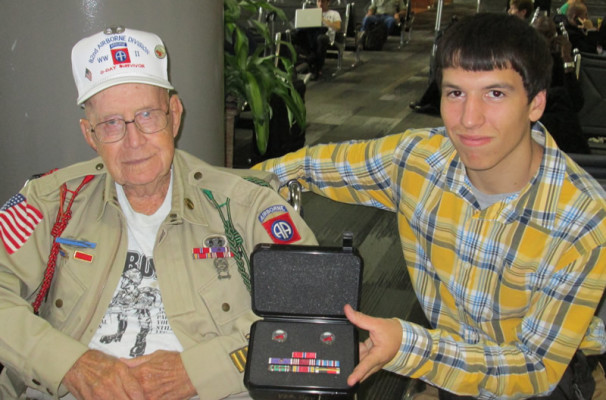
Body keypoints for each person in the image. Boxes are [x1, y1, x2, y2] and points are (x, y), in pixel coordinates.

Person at [255, 13, 606, 399]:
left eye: (495, 93)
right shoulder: (420, 160)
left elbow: (533, 368)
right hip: (447, 363)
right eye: (455, 93)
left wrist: (411, 348)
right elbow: (310, 166)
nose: (469, 120)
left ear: (536, 103)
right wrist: (219, 184)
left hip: (541, 382)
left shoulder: (584, 221)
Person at [0, 27, 317, 400]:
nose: (134, 142)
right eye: (111, 124)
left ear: (175, 115)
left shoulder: (249, 209)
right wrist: (71, 365)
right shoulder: (51, 201)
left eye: (148, 115)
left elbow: (310, 317)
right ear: (90, 135)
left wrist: (196, 373)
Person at [532, 15, 590, 154]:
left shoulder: (557, 61)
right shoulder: (521, 59)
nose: (545, 40)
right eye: (541, 34)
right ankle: (584, 163)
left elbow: (576, 102)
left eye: (548, 35)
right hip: (531, 117)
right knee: (560, 100)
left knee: (562, 109)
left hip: (553, 119)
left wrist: (567, 59)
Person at [293, 0, 341, 80]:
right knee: (295, 34)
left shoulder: (334, 13)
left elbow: (338, 27)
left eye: (323, 2)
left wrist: (323, 20)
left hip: (326, 37)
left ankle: (315, 67)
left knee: (321, 38)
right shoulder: (311, 13)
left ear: (328, 2)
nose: (320, 4)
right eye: (318, 1)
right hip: (311, 37)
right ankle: (301, 63)